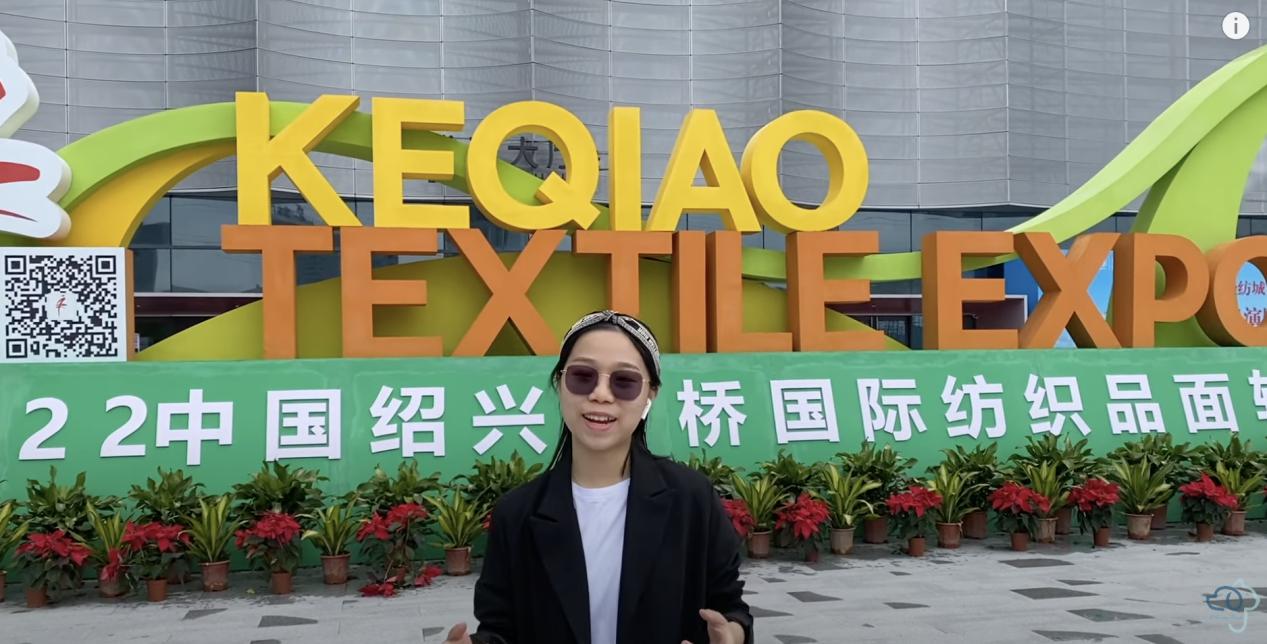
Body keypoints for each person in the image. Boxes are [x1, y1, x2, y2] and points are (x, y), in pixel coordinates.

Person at [443, 310, 753, 644]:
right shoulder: (516, 513)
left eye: (624, 382)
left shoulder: (692, 499)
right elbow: (499, 629)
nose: (601, 394)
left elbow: (730, 608)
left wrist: (729, 637)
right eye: (583, 376)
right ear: (559, 384)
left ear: (650, 395)